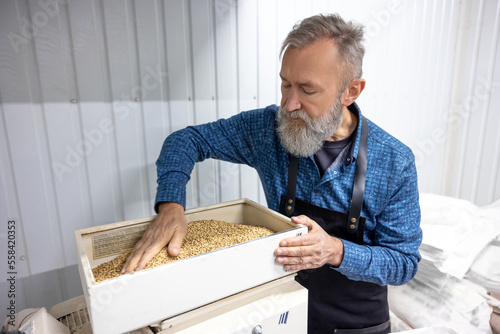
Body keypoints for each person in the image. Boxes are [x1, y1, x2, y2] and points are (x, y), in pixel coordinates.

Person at [121, 13, 422, 333]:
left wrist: (335, 250)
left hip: (356, 325)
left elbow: (403, 263)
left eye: (307, 89)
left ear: (351, 91)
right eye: (285, 84)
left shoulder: (395, 162)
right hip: (282, 312)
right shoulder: (270, 130)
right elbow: (186, 140)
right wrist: (171, 206)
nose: (290, 103)